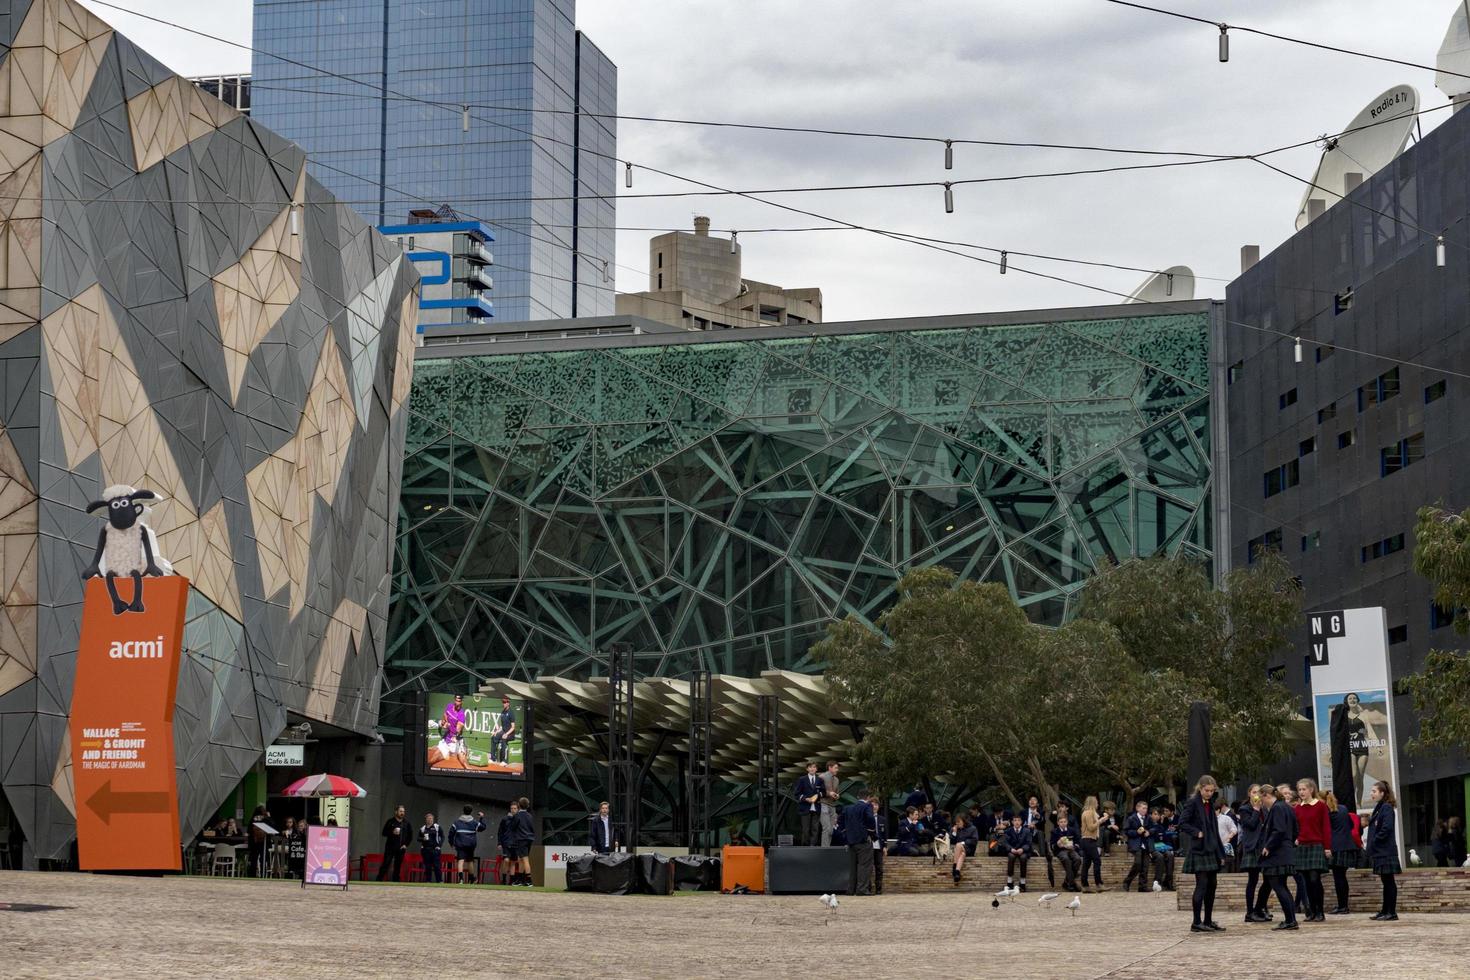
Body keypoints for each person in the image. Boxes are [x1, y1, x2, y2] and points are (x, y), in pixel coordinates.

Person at [1179, 774, 1227, 933]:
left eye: (1212, 791)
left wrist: (1220, 854)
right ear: (1200, 788)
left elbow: (1214, 830)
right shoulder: (1193, 803)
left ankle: (1207, 920)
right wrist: (1197, 832)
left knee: (1212, 885)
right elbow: (1182, 823)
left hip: (1211, 848)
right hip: (1199, 849)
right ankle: (1196, 922)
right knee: (1202, 885)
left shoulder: (1210, 803)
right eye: (1207, 790)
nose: (1209, 793)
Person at [1258, 783, 1299, 930]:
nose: (1262, 803)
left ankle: (1290, 920)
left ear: (1267, 795)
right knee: (1282, 886)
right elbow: (1295, 829)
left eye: (1262, 800)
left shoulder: (1277, 808)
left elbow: (1279, 830)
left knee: (1279, 886)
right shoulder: (1287, 807)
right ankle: (1291, 919)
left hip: (1277, 854)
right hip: (1285, 850)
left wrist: (1268, 846)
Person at [1293, 778, 1331, 922]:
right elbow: (1294, 827)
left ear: (1311, 790)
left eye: (1304, 789)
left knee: (1315, 879)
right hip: (1302, 846)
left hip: (1316, 845)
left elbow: (1326, 827)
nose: (1301, 792)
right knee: (1306, 881)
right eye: (1299, 790)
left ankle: (1320, 911)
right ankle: (1312, 911)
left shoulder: (1320, 806)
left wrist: (1327, 847)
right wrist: (1295, 838)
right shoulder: (1297, 808)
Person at [1365, 780, 1400, 921]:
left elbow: (1387, 828)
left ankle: (1391, 912)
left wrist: (1375, 840)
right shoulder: (1380, 807)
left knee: (1389, 881)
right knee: (1386, 881)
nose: (1371, 794)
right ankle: (1385, 910)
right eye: (1372, 791)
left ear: (1382, 793)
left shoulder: (1386, 808)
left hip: (1385, 851)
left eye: (1374, 791)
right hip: (1380, 851)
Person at [1239, 785, 1273, 924]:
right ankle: (1250, 912)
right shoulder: (1244, 809)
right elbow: (1251, 825)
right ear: (1249, 794)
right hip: (1252, 848)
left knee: (1269, 879)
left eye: (1259, 792)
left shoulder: (1265, 808)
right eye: (1254, 792)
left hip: (1264, 846)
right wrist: (1256, 809)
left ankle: (1260, 908)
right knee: (1252, 881)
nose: (1256, 795)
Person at [1325, 790, 1360, 915]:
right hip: (1347, 846)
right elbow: (1350, 825)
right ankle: (1343, 905)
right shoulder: (1343, 809)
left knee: (1338, 878)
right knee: (1342, 877)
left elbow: (1326, 830)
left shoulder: (1327, 813)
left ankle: (1342, 906)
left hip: (1336, 847)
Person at [841, 789, 877, 896]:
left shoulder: (848, 808)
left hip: (851, 841)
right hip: (863, 840)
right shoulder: (867, 806)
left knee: (853, 867)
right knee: (864, 866)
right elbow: (870, 819)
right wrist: (871, 833)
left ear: (858, 797)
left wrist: (846, 835)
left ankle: (851, 889)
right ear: (868, 798)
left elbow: (840, 822)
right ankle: (862, 889)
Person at [1121, 799, 1154, 893]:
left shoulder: (1148, 818)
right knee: (1138, 863)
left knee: (1145, 866)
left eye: (1146, 808)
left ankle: (1142, 886)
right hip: (1136, 844)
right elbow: (1126, 831)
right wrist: (1136, 832)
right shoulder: (1131, 818)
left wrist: (1149, 832)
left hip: (1146, 844)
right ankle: (1127, 881)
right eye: (1143, 808)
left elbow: (1154, 828)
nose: (1145, 810)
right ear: (1137, 808)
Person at [452, 804, 486, 884]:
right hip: (470, 844)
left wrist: (451, 842)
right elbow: (483, 827)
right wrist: (481, 818)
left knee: (461, 861)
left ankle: (461, 879)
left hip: (460, 844)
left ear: (463, 811)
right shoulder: (474, 823)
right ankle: (472, 878)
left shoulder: (457, 823)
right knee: (470, 861)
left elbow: (451, 833)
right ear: (471, 812)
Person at [377, 804, 411, 882]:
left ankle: (396, 881)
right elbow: (384, 833)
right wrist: (392, 832)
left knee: (398, 865)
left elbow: (410, 835)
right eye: (400, 811)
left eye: (403, 811)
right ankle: (379, 880)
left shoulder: (406, 823)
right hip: (390, 847)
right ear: (396, 812)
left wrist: (406, 844)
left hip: (401, 848)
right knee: (386, 863)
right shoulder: (390, 821)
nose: (402, 813)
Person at [1050, 813, 1083, 892]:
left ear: (1067, 822)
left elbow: (1078, 842)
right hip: (1060, 851)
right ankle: (1071, 883)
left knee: (1078, 859)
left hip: (1071, 849)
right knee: (1066, 859)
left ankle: (1067, 881)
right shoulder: (1054, 831)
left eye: (1064, 821)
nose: (1063, 823)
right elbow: (1052, 846)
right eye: (1061, 822)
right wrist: (1058, 844)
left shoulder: (1072, 830)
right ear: (1058, 823)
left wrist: (1074, 846)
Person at [1079, 796, 1105, 892]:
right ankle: (1099, 884)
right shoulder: (1089, 813)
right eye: (1096, 802)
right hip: (1089, 840)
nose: (1098, 804)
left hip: (1086, 840)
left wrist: (1101, 820)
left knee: (1086, 863)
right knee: (1097, 861)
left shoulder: (1085, 812)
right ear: (1093, 803)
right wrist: (1100, 821)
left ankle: (1085, 886)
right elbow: (1091, 827)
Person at [794, 762, 824, 846]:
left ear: (816, 769)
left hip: (816, 807)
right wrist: (805, 799)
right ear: (807, 769)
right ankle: (805, 847)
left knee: (815, 829)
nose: (812, 769)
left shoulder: (820, 780)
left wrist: (817, 795)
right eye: (810, 767)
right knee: (805, 829)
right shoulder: (802, 779)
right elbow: (797, 794)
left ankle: (813, 847)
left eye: (814, 767)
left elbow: (823, 792)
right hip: (805, 808)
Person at [1003, 813, 1034, 892]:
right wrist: (1011, 849)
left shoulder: (1027, 831)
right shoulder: (1008, 830)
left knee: (1023, 858)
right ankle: (1009, 882)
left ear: (1021, 822)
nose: (1017, 822)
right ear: (1012, 822)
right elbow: (1005, 843)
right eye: (1015, 820)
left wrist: (1022, 849)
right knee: (1011, 857)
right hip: (1012, 850)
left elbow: (1029, 843)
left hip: (1023, 851)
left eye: (1018, 820)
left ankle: (1022, 882)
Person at [439, 693, 469, 766]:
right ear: (454, 700)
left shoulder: (461, 714)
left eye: (459, 701)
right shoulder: (449, 706)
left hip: (456, 741)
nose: (457, 703)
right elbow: (445, 715)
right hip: (447, 738)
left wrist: (455, 734)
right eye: (456, 701)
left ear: (461, 702)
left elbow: (458, 729)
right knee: (436, 755)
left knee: (464, 763)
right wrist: (445, 722)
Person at [511, 796, 535, 885]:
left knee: (525, 859)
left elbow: (512, 827)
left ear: (518, 805)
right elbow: (532, 828)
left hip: (521, 839)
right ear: (527, 806)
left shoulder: (517, 816)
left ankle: (529, 880)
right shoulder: (530, 816)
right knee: (521, 859)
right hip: (529, 839)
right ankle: (520, 880)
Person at [950, 812, 980, 883]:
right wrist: (954, 832)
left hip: (969, 849)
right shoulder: (956, 829)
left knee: (958, 845)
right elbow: (952, 842)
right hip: (960, 851)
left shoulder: (973, 828)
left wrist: (963, 843)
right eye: (956, 822)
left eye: (959, 822)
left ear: (964, 821)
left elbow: (975, 840)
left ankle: (954, 866)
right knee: (962, 854)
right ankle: (957, 872)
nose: (957, 824)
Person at [819, 761, 841, 847]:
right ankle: (824, 849)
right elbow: (818, 791)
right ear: (830, 767)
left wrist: (837, 795)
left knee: (832, 830)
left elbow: (837, 792)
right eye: (836, 768)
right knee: (826, 828)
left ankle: (827, 847)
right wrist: (829, 793)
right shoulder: (822, 777)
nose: (837, 770)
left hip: (832, 806)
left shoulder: (837, 780)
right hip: (823, 804)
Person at [491, 696, 517, 765]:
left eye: (505, 702)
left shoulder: (511, 713)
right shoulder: (502, 712)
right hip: (504, 731)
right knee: (494, 737)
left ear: (508, 703)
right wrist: (496, 732)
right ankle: (493, 758)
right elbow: (502, 726)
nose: (504, 704)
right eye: (503, 702)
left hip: (511, 734)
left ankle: (504, 761)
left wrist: (506, 734)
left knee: (503, 739)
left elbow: (513, 727)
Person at [248, 804, 272, 878]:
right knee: (263, 859)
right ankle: (263, 874)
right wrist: (269, 817)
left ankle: (252, 875)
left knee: (253, 859)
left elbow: (249, 830)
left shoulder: (253, 819)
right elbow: (272, 826)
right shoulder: (266, 818)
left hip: (254, 841)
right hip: (263, 841)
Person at [419, 812, 444, 883]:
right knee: (428, 866)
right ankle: (428, 880)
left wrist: (439, 845)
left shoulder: (437, 827)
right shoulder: (423, 828)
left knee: (437, 866)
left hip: (435, 849)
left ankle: (439, 881)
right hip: (426, 849)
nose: (430, 820)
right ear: (426, 819)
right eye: (428, 818)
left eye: (431, 818)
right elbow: (418, 838)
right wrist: (422, 839)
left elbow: (442, 836)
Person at [1215, 798, 1239, 873]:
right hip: (1213, 848)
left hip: (1224, 847)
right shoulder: (1208, 820)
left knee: (1224, 870)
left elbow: (1234, 829)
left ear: (1218, 810)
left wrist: (1229, 837)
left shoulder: (1226, 818)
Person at [871, 796, 887, 895]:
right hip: (868, 846)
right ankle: (868, 887)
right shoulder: (866, 817)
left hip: (879, 846)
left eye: (876, 805)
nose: (874, 807)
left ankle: (878, 888)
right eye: (872, 805)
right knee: (868, 868)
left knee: (879, 868)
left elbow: (885, 834)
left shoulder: (882, 819)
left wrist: (885, 846)